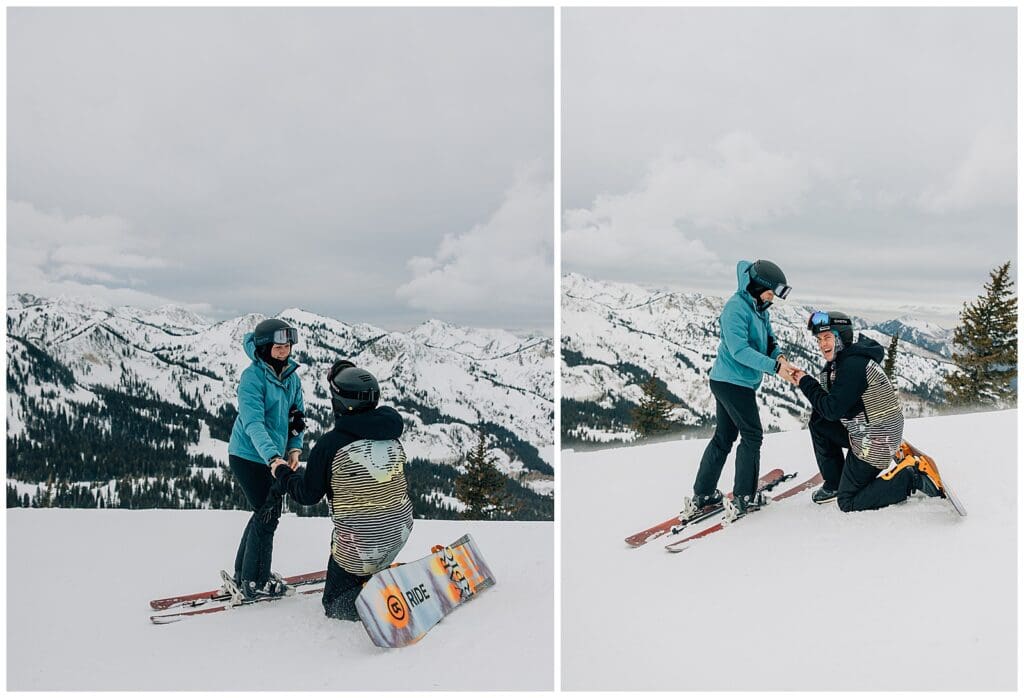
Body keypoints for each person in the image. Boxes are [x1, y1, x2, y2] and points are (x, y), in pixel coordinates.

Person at [270, 360, 412, 621]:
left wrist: (282, 473)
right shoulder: (389, 433)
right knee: (369, 537)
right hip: (399, 532)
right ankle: (380, 574)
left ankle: (382, 601)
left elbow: (308, 495)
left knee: (334, 603)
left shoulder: (331, 445)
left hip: (359, 546)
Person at [786, 310, 944, 511]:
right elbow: (829, 404)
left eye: (827, 337)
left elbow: (833, 409)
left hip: (876, 440)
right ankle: (834, 483)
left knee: (848, 501)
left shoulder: (853, 365)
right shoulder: (841, 363)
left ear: (841, 337)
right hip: (867, 429)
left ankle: (911, 477)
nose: (822, 344)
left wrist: (805, 381)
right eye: (819, 339)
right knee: (819, 421)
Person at [683, 259, 795, 519]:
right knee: (752, 435)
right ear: (757, 286)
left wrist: (780, 358)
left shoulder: (760, 308)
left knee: (724, 436)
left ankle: (704, 494)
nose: (772, 298)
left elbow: (770, 341)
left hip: (733, 382)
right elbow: (739, 351)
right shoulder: (736, 308)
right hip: (731, 382)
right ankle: (745, 496)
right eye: (771, 291)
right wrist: (774, 368)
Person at [226, 318, 305, 599]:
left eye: (288, 346)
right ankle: (255, 581)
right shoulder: (253, 377)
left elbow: (297, 417)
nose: (284, 351)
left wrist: (294, 449)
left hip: (275, 458)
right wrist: (273, 458)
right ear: (264, 347)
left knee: (264, 512)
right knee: (268, 514)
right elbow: (253, 423)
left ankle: (245, 574)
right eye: (278, 346)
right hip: (248, 455)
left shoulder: (291, 377)